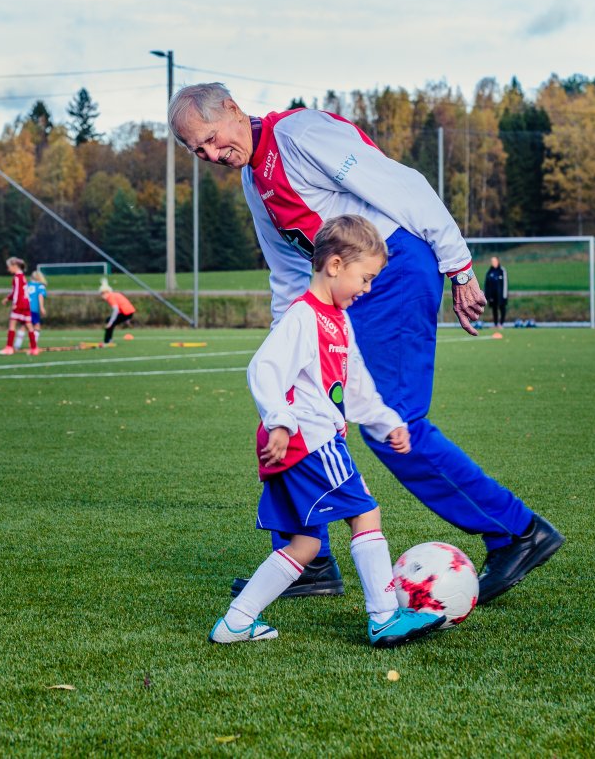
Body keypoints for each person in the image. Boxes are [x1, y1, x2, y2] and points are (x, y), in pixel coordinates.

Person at [169, 83, 563, 606]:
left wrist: (460, 265)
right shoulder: (252, 181)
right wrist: (288, 342)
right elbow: (288, 270)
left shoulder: (300, 134)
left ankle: (516, 532)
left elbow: (404, 186)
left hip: (394, 271)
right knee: (290, 413)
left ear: (233, 110)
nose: (212, 154)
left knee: (394, 423)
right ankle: (308, 560)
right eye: (198, 150)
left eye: (213, 138)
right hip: (344, 294)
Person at [210, 215, 444, 647]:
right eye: (365, 278)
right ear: (335, 265)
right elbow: (264, 367)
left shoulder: (337, 320)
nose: (367, 289)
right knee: (366, 513)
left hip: (299, 446)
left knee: (304, 545)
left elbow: (354, 388)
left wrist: (387, 421)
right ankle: (384, 617)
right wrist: (279, 421)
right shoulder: (303, 316)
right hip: (311, 441)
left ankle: (236, 621)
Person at [0, 257, 38, 355]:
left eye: (9, 267)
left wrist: (15, 304)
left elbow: (17, 293)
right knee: (29, 325)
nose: (8, 269)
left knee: (12, 324)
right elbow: (18, 291)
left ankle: (9, 348)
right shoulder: (22, 276)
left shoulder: (17, 277)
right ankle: (34, 348)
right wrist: (8, 298)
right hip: (26, 304)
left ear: (15, 266)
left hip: (20, 304)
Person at [16, 269, 48, 350]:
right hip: (33, 309)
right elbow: (40, 296)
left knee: (24, 325)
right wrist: (42, 307)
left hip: (24, 308)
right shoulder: (40, 286)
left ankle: (17, 345)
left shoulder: (27, 285)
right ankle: (33, 345)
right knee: (37, 326)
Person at [484, 256, 508, 327]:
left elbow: (505, 284)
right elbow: (487, 285)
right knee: (494, 309)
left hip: (501, 295)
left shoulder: (502, 270)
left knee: (502, 308)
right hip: (492, 295)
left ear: (498, 261)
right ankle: (495, 324)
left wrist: (504, 295)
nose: (493, 262)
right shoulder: (489, 272)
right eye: (492, 261)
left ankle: (501, 324)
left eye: (494, 261)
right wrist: (487, 296)